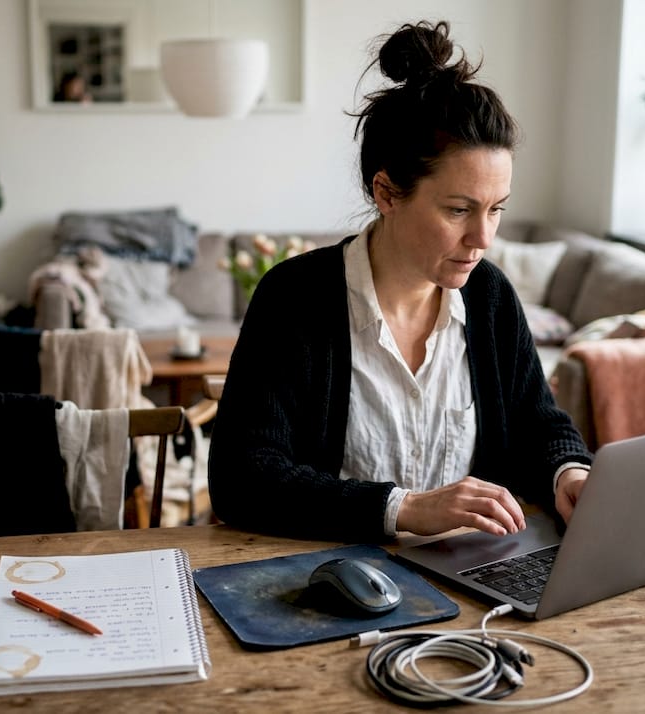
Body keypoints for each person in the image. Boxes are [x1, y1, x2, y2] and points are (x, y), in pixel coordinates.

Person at [207, 20, 593, 543]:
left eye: (496, 209)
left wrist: (567, 472)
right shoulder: (295, 298)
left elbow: (536, 425)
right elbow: (242, 478)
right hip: (328, 579)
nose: (483, 238)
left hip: (474, 584)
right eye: (459, 210)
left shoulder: (489, 297)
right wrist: (402, 509)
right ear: (387, 192)